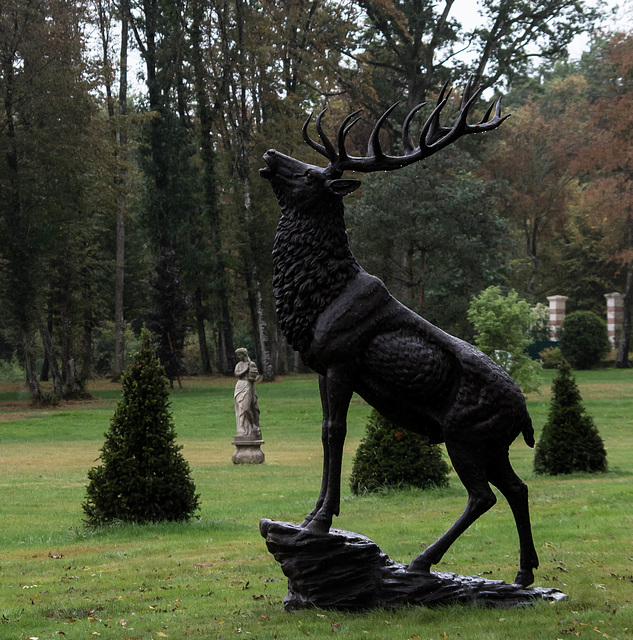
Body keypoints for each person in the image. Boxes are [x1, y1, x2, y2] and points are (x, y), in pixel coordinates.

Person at [234, 348, 261, 439]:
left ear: (244, 354)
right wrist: (246, 370)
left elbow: (257, 375)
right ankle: (243, 429)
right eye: (237, 355)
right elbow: (237, 374)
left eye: (240, 355)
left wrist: (254, 378)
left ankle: (254, 425)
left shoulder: (251, 364)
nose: (239, 357)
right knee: (241, 408)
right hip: (239, 386)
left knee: (246, 408)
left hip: (248, 385)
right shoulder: (239, 365)